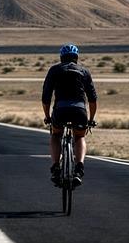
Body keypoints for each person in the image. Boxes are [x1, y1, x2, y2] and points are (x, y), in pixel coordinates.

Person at [42, 43, 97, 187]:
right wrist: (91, 120)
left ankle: (55, 168)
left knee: (55, 135)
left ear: (61, 57)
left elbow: (46, 97)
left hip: (60, 111)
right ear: (76, 57)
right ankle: (79, 168)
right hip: (80, 112)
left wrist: (47, 116)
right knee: (79, 136)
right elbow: (92, 99)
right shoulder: (84, 71)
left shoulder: (54, 70)